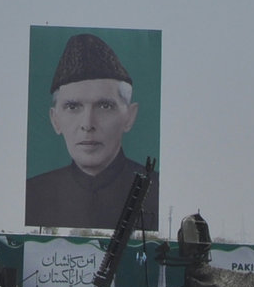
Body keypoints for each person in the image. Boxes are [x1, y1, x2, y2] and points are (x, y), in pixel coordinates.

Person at [24, 32, 159, 230]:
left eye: (104, 106)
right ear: (55, 120)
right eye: (73, 107)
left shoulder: (154, 191)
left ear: (129, 116)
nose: (88, 124)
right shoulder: (33, 195)